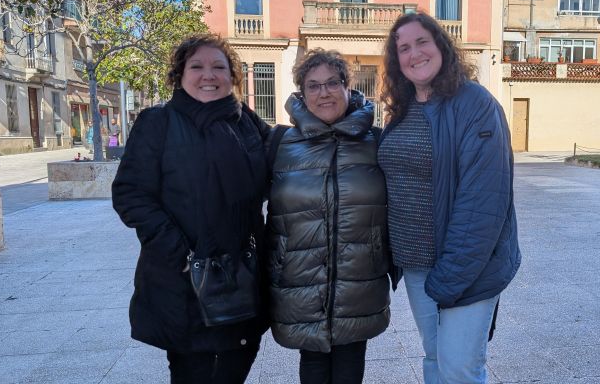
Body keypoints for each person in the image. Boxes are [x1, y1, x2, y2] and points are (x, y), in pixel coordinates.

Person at [112, 33, 270, 384]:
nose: (208, 75)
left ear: (233, 76)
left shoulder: (247, 123)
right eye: (196, 66)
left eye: (219, 66)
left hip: (240, 278)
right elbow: (130, 194)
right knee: (193, 373)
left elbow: (289, 154)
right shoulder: (158, 122)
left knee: (235, 366)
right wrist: (181, 253)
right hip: (183, 281)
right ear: (180, 75)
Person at [378, 12, 521, 384]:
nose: (414, 53)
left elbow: (484, 203)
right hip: (417, 265)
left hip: (467, 267)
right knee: (435, 359)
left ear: (441, 45)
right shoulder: (404, 108)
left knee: (459, 368)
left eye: (422, 41)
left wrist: (449, 278)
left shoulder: (476, 105)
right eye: (403, 48)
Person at [265, 48, 391, 384]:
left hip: (360, 279)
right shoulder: (279, 143)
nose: (324, 93)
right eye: (313, 86)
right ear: (302, 94)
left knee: (350, 369)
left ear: (348, 87)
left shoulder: (377, 141)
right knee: (313, 367)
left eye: (332, 83)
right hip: (300, 278)